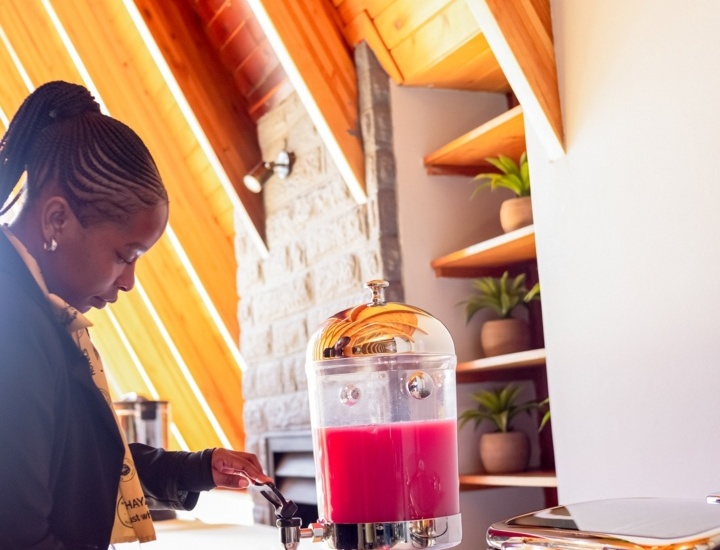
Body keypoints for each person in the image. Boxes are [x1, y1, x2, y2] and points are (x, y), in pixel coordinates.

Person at [0, 81, 272, 549]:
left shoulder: (35, 311)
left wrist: (196, 468)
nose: (128, 282)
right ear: (57, 221)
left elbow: (77, 458)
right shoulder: (15, 330)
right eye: (126, 255)